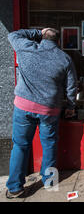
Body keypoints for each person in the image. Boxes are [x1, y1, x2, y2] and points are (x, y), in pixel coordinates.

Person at [5, 28, 77, 199]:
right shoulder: (64, 58)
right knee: (50, 144)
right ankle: (49, 181)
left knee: (20, 145)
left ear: (41, 37)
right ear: (58, 42)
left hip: (24, 106)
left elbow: (12, 35)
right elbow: (71, 86)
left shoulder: (26, 47)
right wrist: (71, 105)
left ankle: (15, 187)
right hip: (49, 109)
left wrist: (38, 32)